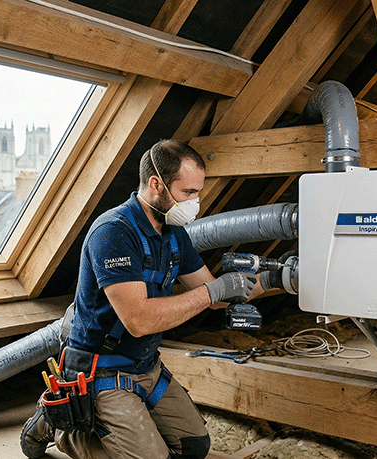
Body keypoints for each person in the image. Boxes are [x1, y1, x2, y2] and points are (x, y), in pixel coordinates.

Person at [21, 139, 263, 459]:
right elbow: (139, 320)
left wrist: (277, 279)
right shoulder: (113, 232)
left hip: (145, 365)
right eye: (188, 192)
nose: (195, 202)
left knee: (194, 447)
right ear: (156, 184)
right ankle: (62, 429)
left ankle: (103, 426)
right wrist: (213, 291)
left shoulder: (174, 233)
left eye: (198, 192)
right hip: (99, 371)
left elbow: (215, 296)